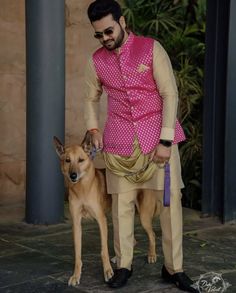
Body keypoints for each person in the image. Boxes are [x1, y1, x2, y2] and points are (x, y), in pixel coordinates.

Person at [84, 0, 197, 292]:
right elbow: (90, 97)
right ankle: (124, 265)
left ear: (122, 22)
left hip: (158, 139)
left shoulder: (151, 48)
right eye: (98, 35)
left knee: (170, 205)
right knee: (122, 206)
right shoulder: (97, 60)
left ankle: (174, 268)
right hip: (119, 141)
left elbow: (170, 94)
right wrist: (93, 128)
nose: (104, 39)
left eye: (108, 31)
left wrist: (165, 140)